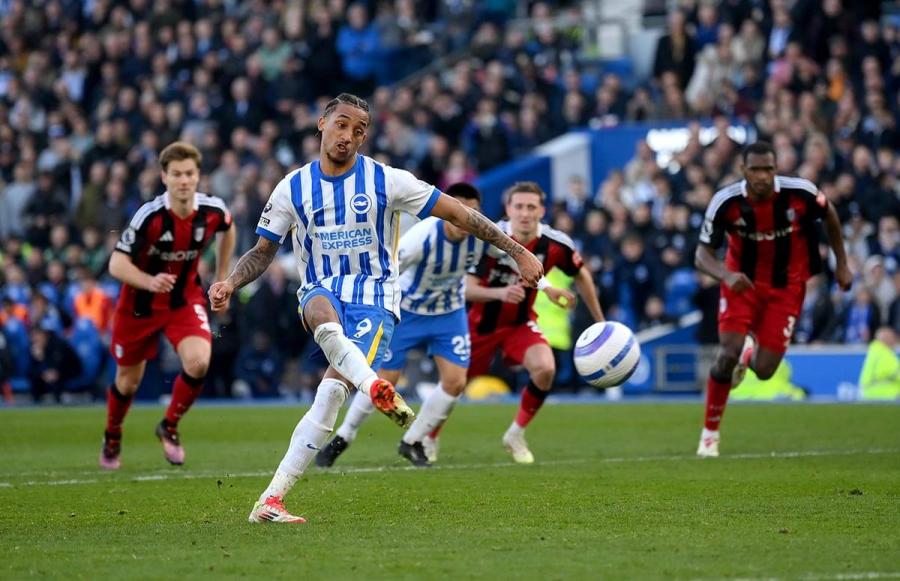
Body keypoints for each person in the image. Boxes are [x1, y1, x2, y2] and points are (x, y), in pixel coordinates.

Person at [207, 94, 542, 524]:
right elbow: (262, 251)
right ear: (322, 123)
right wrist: (231, 282)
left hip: (376, 300)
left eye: (359, 130)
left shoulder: (388, 181)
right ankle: (374, 387)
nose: (348, 136)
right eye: (342, 125)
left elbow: (461, 215)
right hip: (320, 291)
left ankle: (269, 501)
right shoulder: (292, 187)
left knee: (328, 398)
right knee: (320, 310)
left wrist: (518, 252)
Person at [315, 182, 566, 468]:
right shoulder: (420, 240)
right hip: (408, 311)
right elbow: (386, 273)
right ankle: (344, 436)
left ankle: (413, 440)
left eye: (469, 214)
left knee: (456, 381)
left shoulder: (481, 236)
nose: (462, 220)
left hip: (449, 313)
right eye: (456, 212)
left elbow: (515, 257)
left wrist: (546, 287)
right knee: (386, 382)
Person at [694, 141, 852, 458]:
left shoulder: (800, 194)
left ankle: (749, 351)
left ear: (776, 168)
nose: (762, 176)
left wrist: (842, 264)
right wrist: (725, 275)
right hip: (742, 283)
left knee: (765, 370)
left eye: (768, 169)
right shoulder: (725, 202)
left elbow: (830, 215)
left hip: (787, 288)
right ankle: (710, 434)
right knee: (726, 352)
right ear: (743, 170)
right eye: (755, 169)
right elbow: (701, 255)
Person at [99, 142, 236, 470]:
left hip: (183, 299)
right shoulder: (150, 216)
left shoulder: (212, 210)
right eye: (177, 174)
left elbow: (228, 229)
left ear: (198, 175)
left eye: (189, 173)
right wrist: (149, 282)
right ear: (164, 177)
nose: (184, 180)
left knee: (199, 362)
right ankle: (113, 434)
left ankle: (169, 426)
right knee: (128, 382)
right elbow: (116, 265)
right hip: (139, 306)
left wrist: (221, 277)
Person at [464, 181, 605, 464]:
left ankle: (515, 434)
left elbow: (581, 274)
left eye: (531, 207)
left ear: (542, 210)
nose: (525, 213)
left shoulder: (556, 244)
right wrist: (500, 293)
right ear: (508, 209)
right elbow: (465, 288)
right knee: (452, 385)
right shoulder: (487, 238)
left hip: (520, 324)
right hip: (478, 325)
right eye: (519, 206)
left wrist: (601, 322)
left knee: (545, 368)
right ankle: (426, 437)